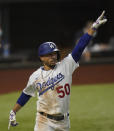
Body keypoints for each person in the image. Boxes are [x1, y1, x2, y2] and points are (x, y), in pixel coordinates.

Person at [8, 11, 107, 131]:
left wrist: (93, 28)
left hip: (64, 122)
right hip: (43, 121)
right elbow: (26, 94)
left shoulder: (66, 65)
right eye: (49, 55)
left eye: (54, 54)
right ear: (41, 57)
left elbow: (80, 47)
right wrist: (13, 112)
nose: (53, 57)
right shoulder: (35, 76)